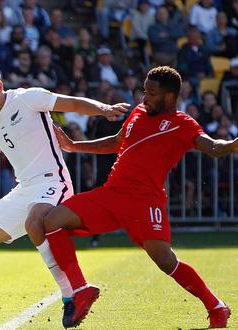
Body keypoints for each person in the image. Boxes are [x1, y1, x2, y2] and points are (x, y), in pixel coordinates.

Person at [29, 66, 234, 328]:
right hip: (112, 193)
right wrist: (73, 146)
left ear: (169, 97)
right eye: (144, 91)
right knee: (51, 220)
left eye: (151, 93)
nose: (144, 97)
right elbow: (116, 142)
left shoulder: (183, 124)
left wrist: (232, 144)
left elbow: (213, 147)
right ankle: (81, 290)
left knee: (165, 261)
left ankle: (216, 307)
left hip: (145, 201)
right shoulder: (138, 112)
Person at [0, 64, 128, 328]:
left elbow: (73, 104)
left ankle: (71, 297)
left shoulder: (27, 98)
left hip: (53, 181)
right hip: (24, 189)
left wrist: (103, 108)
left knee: (36, 222)